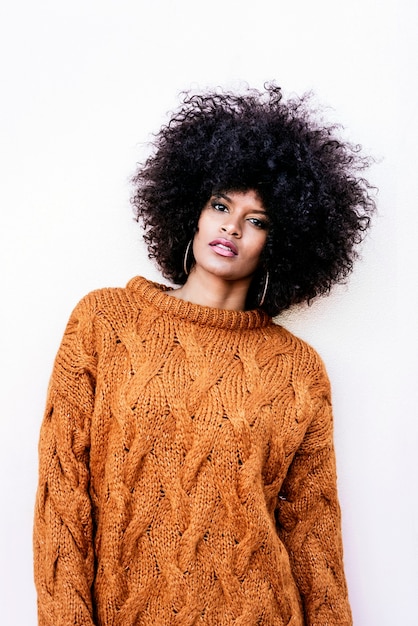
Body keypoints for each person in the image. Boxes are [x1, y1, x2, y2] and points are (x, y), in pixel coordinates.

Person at [33, 84, 375, 626]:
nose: (232, 227)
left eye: (257, 219)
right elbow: (63, 501)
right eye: (221, 204)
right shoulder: (104, 322)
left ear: (279, 241)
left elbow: (313, 539)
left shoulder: (297, 370)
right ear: (191, 208)